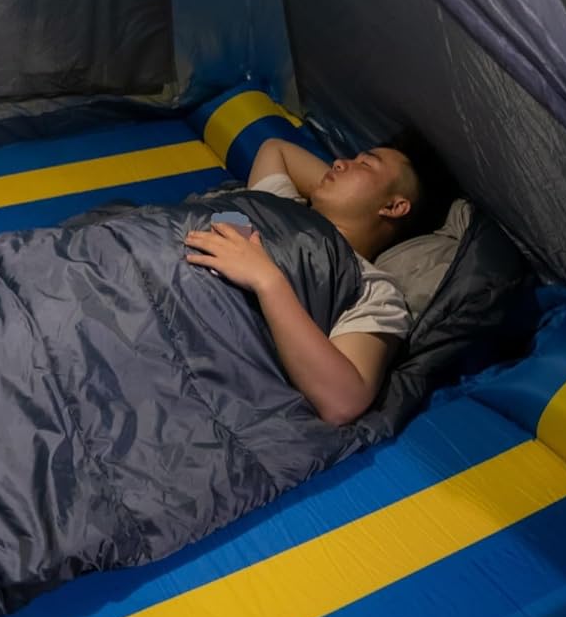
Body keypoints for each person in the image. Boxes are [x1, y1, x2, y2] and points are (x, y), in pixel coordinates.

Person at [185, 133, 441, 427]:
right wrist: (345, 189)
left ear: (394, 207)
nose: (339, 162)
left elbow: (342, 401)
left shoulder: (372, 288)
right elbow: (275, 148)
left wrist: (267, 281)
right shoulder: (281, 203)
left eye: (366, 164)